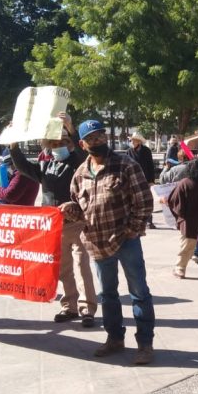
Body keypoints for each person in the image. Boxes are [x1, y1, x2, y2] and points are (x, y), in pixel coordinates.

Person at [61, 120, 156, 365]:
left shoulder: (126, 164)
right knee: (108, 295)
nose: (98, 141)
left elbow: (144, 201)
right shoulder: (80, 173)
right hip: (96, 243)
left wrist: (132, 231)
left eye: (101, 136)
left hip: (126, 241)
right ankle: (115, 338)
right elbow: (79, 208)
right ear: (82, 144)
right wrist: (71, 209)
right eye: (91, 139)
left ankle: (145, 344)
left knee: (139, 293)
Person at [9, 114, 99, 327]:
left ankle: (87, 309)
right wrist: (13, 145)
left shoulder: (78, 164)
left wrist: (70, 127)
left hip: (77, 222)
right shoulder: (44, 166)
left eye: (63, 143)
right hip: (54, 225)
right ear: (48, 146)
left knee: (81, 265)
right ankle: (69, 306)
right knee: (63, 268)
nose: (59, 146)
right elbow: (23, 167)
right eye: (54, 143)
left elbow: (81, 153)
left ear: (70, 144)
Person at [126, 132, 157, 229]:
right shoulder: (129, 151)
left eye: (133, 140)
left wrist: (152, 180)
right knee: (133, 201)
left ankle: (149, 221)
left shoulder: (146, 151)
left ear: (139, 141)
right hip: (132, 179)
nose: (132, 142)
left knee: (147, 200)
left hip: (145, 178)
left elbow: (150, 166)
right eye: (131, 140)